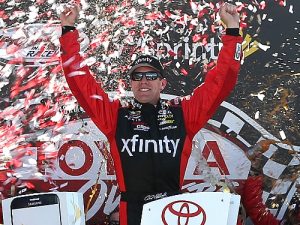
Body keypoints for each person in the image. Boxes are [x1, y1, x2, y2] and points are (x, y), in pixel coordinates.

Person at [59, 3, 243, 225]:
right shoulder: (116, 116)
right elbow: (80, 82)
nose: (143, 81)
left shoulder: (183, 114)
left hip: (173, 210)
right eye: (137, 77)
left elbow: (222, 82)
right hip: (133, 212)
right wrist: (68, 30)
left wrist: (232, 30)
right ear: (131, 84)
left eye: (151, 75)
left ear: (163, 82)